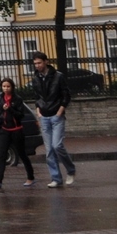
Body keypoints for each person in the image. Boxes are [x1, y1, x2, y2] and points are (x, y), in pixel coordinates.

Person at [29, 51, 75, 188]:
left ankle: (70, 170)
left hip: (56, 116)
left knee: (57, 145)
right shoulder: (36, 78)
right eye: (35, 63)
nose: (37, 66)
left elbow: (66, 95)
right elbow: (36, 96)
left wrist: (60, 111)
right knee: (49, 150)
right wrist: (39, 112)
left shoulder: (58, 76)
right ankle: (56, 178)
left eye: (39, 63)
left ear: (46, 62)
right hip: (44, 116)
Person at [0, 78, 35, 189]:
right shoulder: (1, 97)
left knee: (22, 154)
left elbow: (20, 115)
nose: (6, 89)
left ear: (12, 87)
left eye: (8, 86)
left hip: (16, 130)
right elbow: (1, 113)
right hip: (5, 130)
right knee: (1, 154)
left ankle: (30, 177)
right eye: (4, 86)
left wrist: (10, 109)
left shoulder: (17, 99)